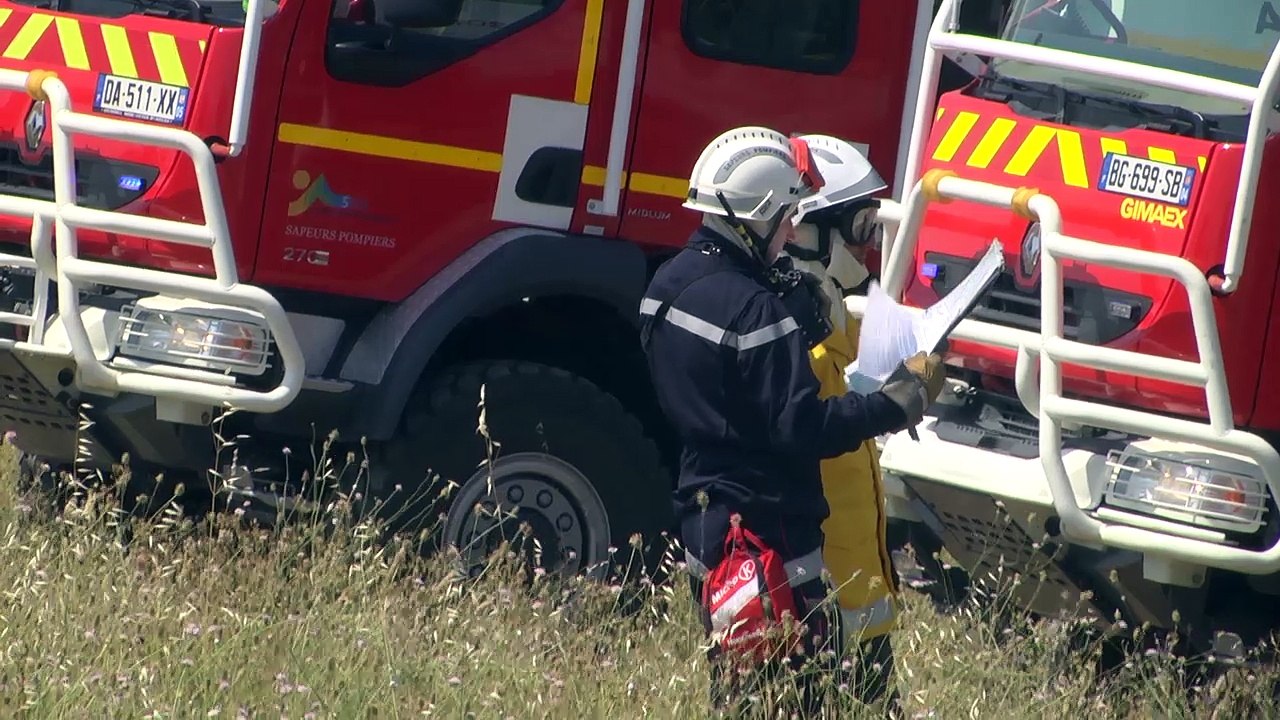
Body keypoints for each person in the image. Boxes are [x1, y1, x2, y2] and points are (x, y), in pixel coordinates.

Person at [638, 126, 946, 715]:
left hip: (708, 519)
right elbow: (804, 428)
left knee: (739, 687)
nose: (788, 231)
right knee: (795, 695)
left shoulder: (668, 284)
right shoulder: (757, 311)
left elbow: (727, 387)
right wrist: (897, 402)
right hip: (770, 529)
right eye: (783, 218)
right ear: (754, 214)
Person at [780, 134, 906, 714]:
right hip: (826, 597)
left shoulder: (831, 313)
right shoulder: (790, 328)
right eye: (858, 227)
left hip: (858, 596)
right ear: (807, 229)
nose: (867, 246)